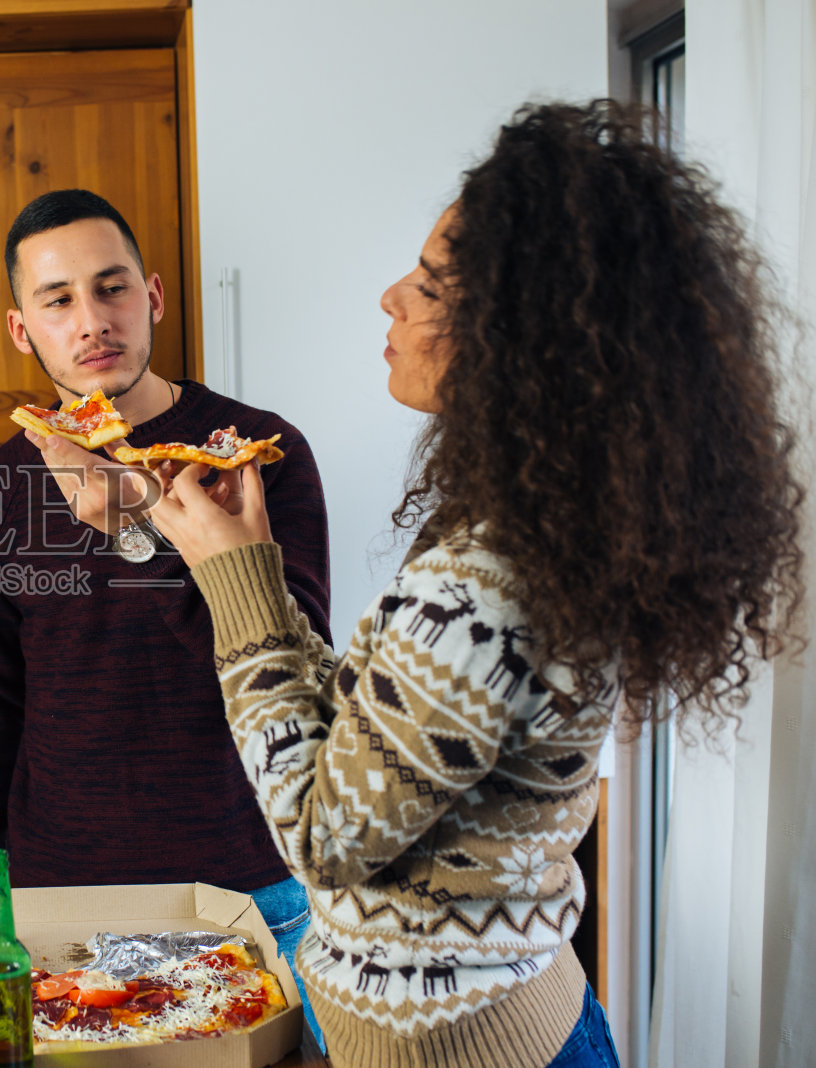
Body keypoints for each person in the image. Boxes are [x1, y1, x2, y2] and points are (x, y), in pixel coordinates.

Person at [137, 101, 805, 1066]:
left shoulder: (492, 573)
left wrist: (232, 577)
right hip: (519, 1020)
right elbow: (365, 738)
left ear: (521, 335)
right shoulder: (548, 520)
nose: (391, 299)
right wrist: (252, 568)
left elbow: (322, 836)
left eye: (430, 284)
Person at [0, 189, 334, 1043]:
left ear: (151, 296)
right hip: (61, 900)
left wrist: (139, 526)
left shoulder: (255, 453)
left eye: (111, 288)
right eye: (58, 300)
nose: (92, 321)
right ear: (22, 330)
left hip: (250, 891)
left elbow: (291, 664)